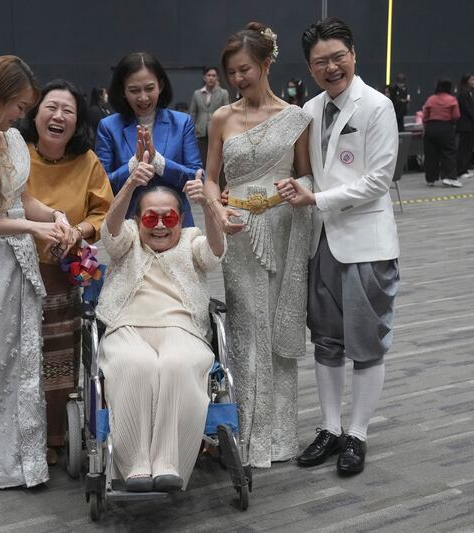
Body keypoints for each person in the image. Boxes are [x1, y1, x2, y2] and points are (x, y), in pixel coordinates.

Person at [0, 79, 114, 467]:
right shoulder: (12, 147)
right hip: (10, 266)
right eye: (50, 107)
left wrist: (74, 229)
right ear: (34, 112)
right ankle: (15, 437)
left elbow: (103, 213)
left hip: (62, 270)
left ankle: (54, 433)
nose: (59, 116)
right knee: (14, 358)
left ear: (78, 120)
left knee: (59, 358)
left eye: (69, 110)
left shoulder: (87, 162)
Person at [278, 16, 400, 476]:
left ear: (353, 56)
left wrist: (317, 198)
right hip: (322, 243)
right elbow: (307, 170)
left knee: (366, 344)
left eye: (337, 58)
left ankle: (358, 434)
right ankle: (329, 428)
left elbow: (378, 180)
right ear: (309, 68)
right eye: (319, 62)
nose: (330, 68)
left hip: (366, 243)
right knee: (326, 341)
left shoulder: (377, 106)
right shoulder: (309, 108)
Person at [202, 22, 313, 468]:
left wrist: (296, 187)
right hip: (238, 232)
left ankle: (279, 437)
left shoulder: (295, 117)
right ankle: (244, 434)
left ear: (266, 63)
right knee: (246, 328)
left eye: (245, 69)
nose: (238, 80)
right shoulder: (222, 118)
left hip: (283, 228)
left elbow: (307, 176)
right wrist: (216, 209)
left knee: (276, 329)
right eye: (231, 73)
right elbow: (211, 179)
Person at [96, 175, 225, 492]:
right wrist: (129, 186)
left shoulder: (191, 239)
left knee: (177, 364)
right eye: (150, 218)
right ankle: (134, 464)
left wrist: (208, 204)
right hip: (126, 326)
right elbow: (110, 233)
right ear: (137, 220)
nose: (159, 226)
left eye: (169, 218)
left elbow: (215, 253)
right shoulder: (127, 238)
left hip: (181, 327)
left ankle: (169, 462)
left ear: (180, 220)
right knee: (135, 365)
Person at [95, 52, 202, 227]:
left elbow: (196, 176)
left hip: (175, 224)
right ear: (122, 90)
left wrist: (158, 162)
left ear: (161, 85)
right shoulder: (108, 127)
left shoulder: (182, 123)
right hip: (129, 225)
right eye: (134, 90)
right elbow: (102, 184)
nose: (143, 97)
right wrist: (133, 165)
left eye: (149, 88)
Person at [422, 79, 462, 188]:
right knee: (448, 152)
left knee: (431, 154)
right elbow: (456, 116)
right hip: (445, 127)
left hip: (431, 127)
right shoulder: (452, 99)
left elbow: (425, 116)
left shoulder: (430, 99)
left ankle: (430, 179)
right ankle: (449, 177)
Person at [189, 67, 230, 169]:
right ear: (204, 77)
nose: (211, 78)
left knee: (217, 161)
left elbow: (228, 113)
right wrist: (192, 130)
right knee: (201, 160)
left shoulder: (223, 93)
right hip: (201, 132)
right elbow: (193, 113)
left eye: (213, 75)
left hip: (217, 131)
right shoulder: (197, 93)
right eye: (209, 75)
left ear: (217, 78)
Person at [456, 73, 474, 179]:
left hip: (470, 125)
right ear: (466, 81)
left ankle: (465, 168)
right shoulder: (463, 94)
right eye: (472, 80)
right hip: (465, 125)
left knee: (469, 148)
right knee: (464, 148)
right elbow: (467, 109)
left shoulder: (470, 93)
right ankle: (460, 170)